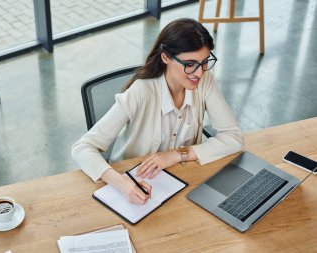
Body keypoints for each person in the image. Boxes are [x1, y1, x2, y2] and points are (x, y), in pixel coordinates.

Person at [72, 18, 244, 205]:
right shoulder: (141, 91)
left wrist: (177, 154)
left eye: (204, 62)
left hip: (183, 181)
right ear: (166, 57)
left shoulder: (205, 81)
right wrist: (122, 183)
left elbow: (233, 137)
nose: (199, 73)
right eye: (190, 64)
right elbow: (82, 148)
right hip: (135, 186)